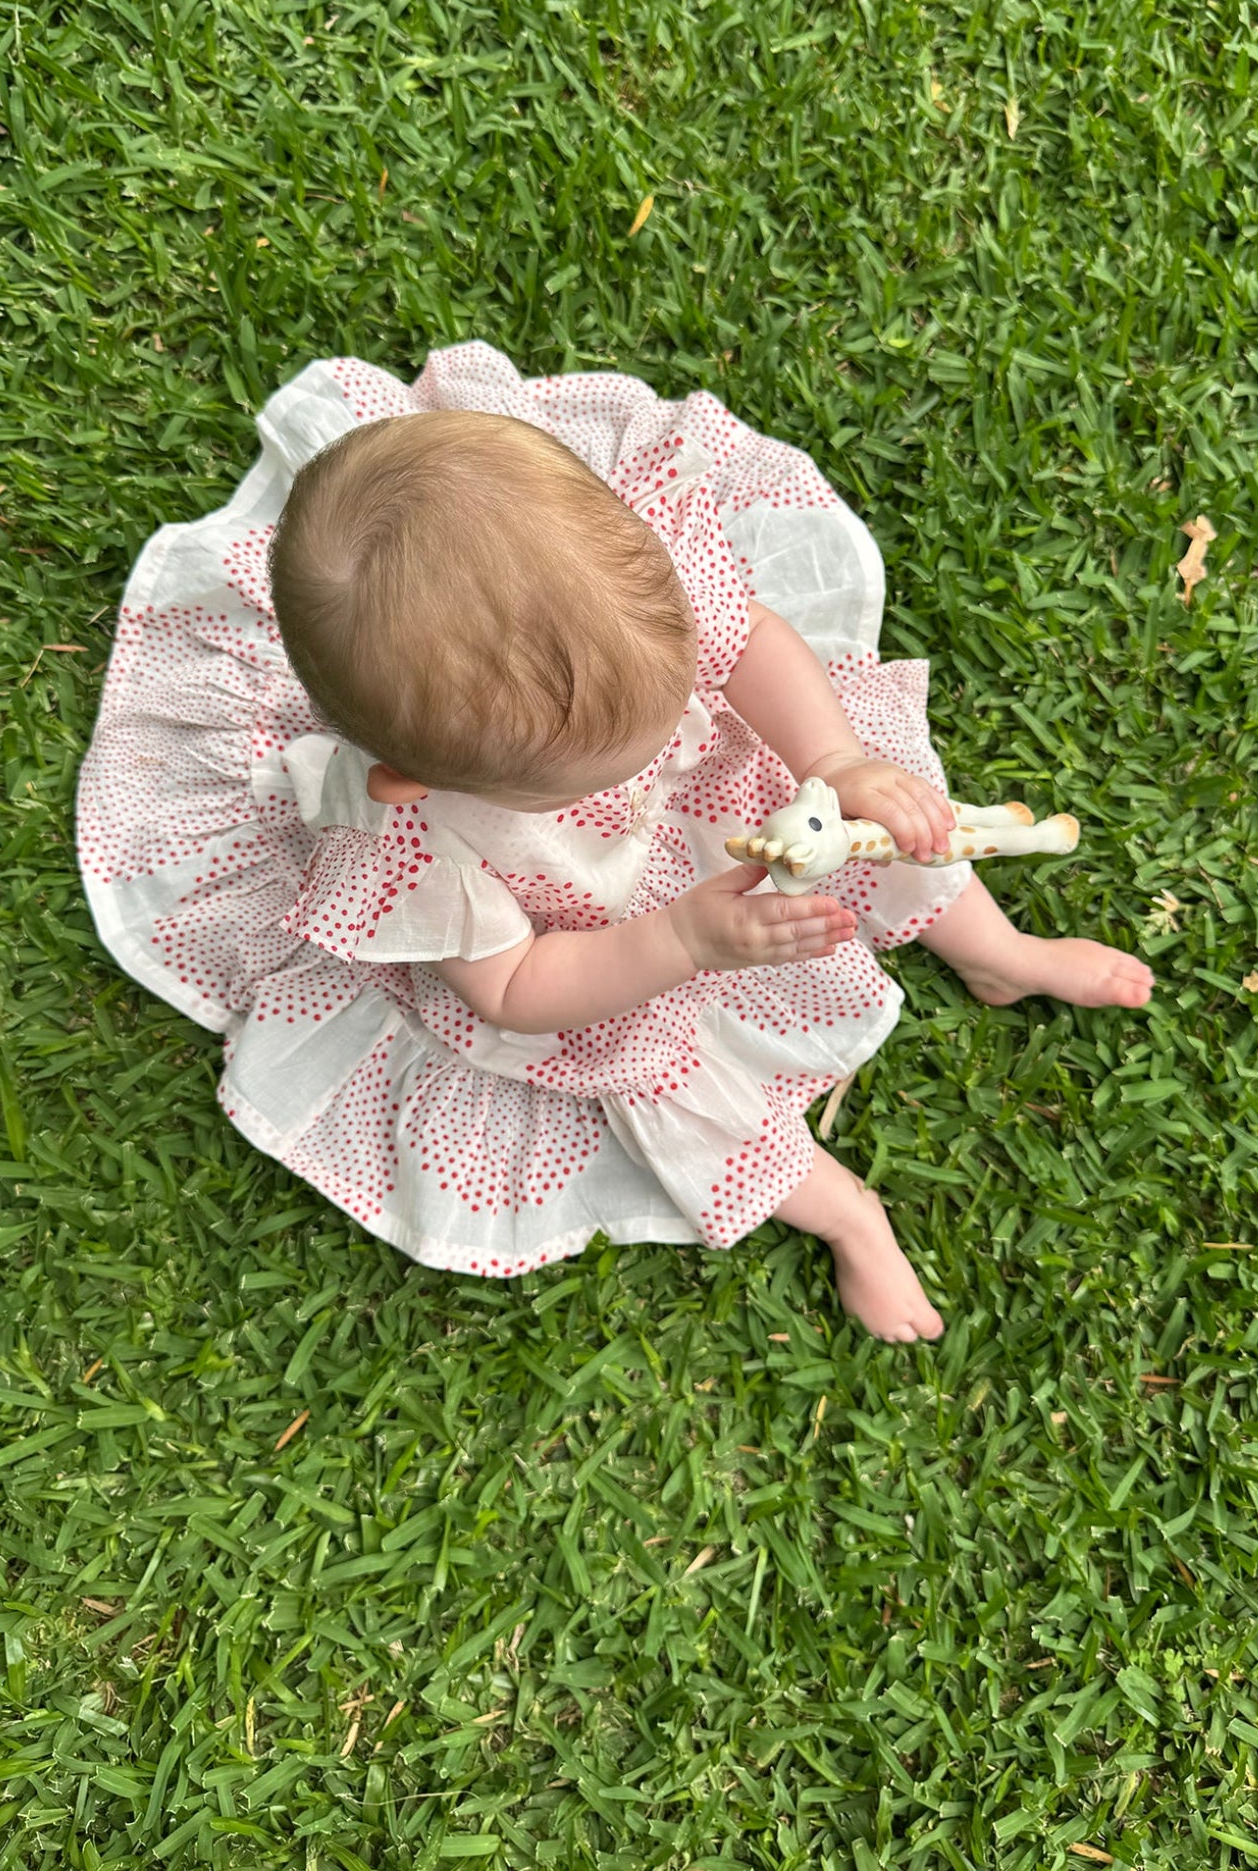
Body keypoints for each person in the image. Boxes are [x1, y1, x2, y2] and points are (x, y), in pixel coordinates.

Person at [77, 343, 1152, 1343]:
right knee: (671, 1089)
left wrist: (831, 762)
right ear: (423, 782)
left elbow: (753, 644)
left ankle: (994, 952)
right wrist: (683, 938)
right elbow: (512, 989)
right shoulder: (412, 840)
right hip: (595, 940)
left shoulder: (644, 581)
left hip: (730, 793)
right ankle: (842, 1213)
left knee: (895, 818)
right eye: (600, 763)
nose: (653, 737)